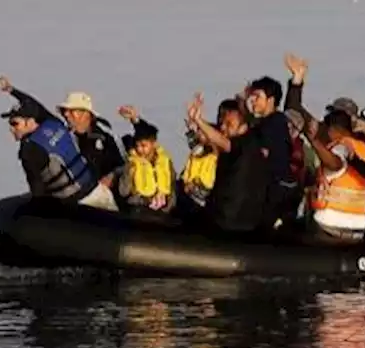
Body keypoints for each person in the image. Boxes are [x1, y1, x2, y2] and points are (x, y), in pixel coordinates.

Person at [0, 81, 118, 210]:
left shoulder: (29, 149)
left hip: (78, 206)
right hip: (98, 192)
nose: (11, 129)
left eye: (15, 123)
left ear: (30, 121)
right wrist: (11, 90)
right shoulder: (54, 122)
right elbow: (36, 106)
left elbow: (38, 192)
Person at [187, 92, 268, 233]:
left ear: (243, 127)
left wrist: (199, 121)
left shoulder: (246, 144)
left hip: (234, 221)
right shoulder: (242, 141)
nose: (223, 127)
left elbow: (222, 141)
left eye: (229, 124)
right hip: (223, 214)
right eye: (222, 123)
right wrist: (197, 123)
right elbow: (210, 138)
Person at [305, 110, 365, 241]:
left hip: (332, 226)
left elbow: (335, 164)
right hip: (359, 224)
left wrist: (314, 141)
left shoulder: (341, 146)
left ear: (331, 130)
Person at [242, 76, 303, 227]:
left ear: (270, 99)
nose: (253, 101)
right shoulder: (270, 123)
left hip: (273, 195)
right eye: (252, 97)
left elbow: (263, 154)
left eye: (257, 97)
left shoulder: (274, 124)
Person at [115, 107, 176, 213]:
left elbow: (172, 185)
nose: (140, 149)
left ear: (154, 144)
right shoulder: (133, 162)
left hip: (162, 209)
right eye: (137, 146)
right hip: (139, 207)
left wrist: (168, 204)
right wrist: (129, 172)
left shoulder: (165, 161)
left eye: (144, 145)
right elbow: (123, 191)